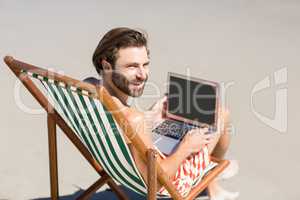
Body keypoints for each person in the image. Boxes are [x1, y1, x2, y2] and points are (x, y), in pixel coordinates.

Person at [89, 27, 234, 199]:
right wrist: (187, 146)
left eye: (145, 64)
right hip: (170, 182)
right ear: (106, 66)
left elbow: (124, 130)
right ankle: (211, 182)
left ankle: (207, 174)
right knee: (221, 114)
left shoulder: (87, 90)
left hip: (129, 160)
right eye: (132, 66)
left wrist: (150, 117)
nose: (142, 75)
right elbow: (156, 182)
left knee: (168, 106)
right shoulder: (134, 120)